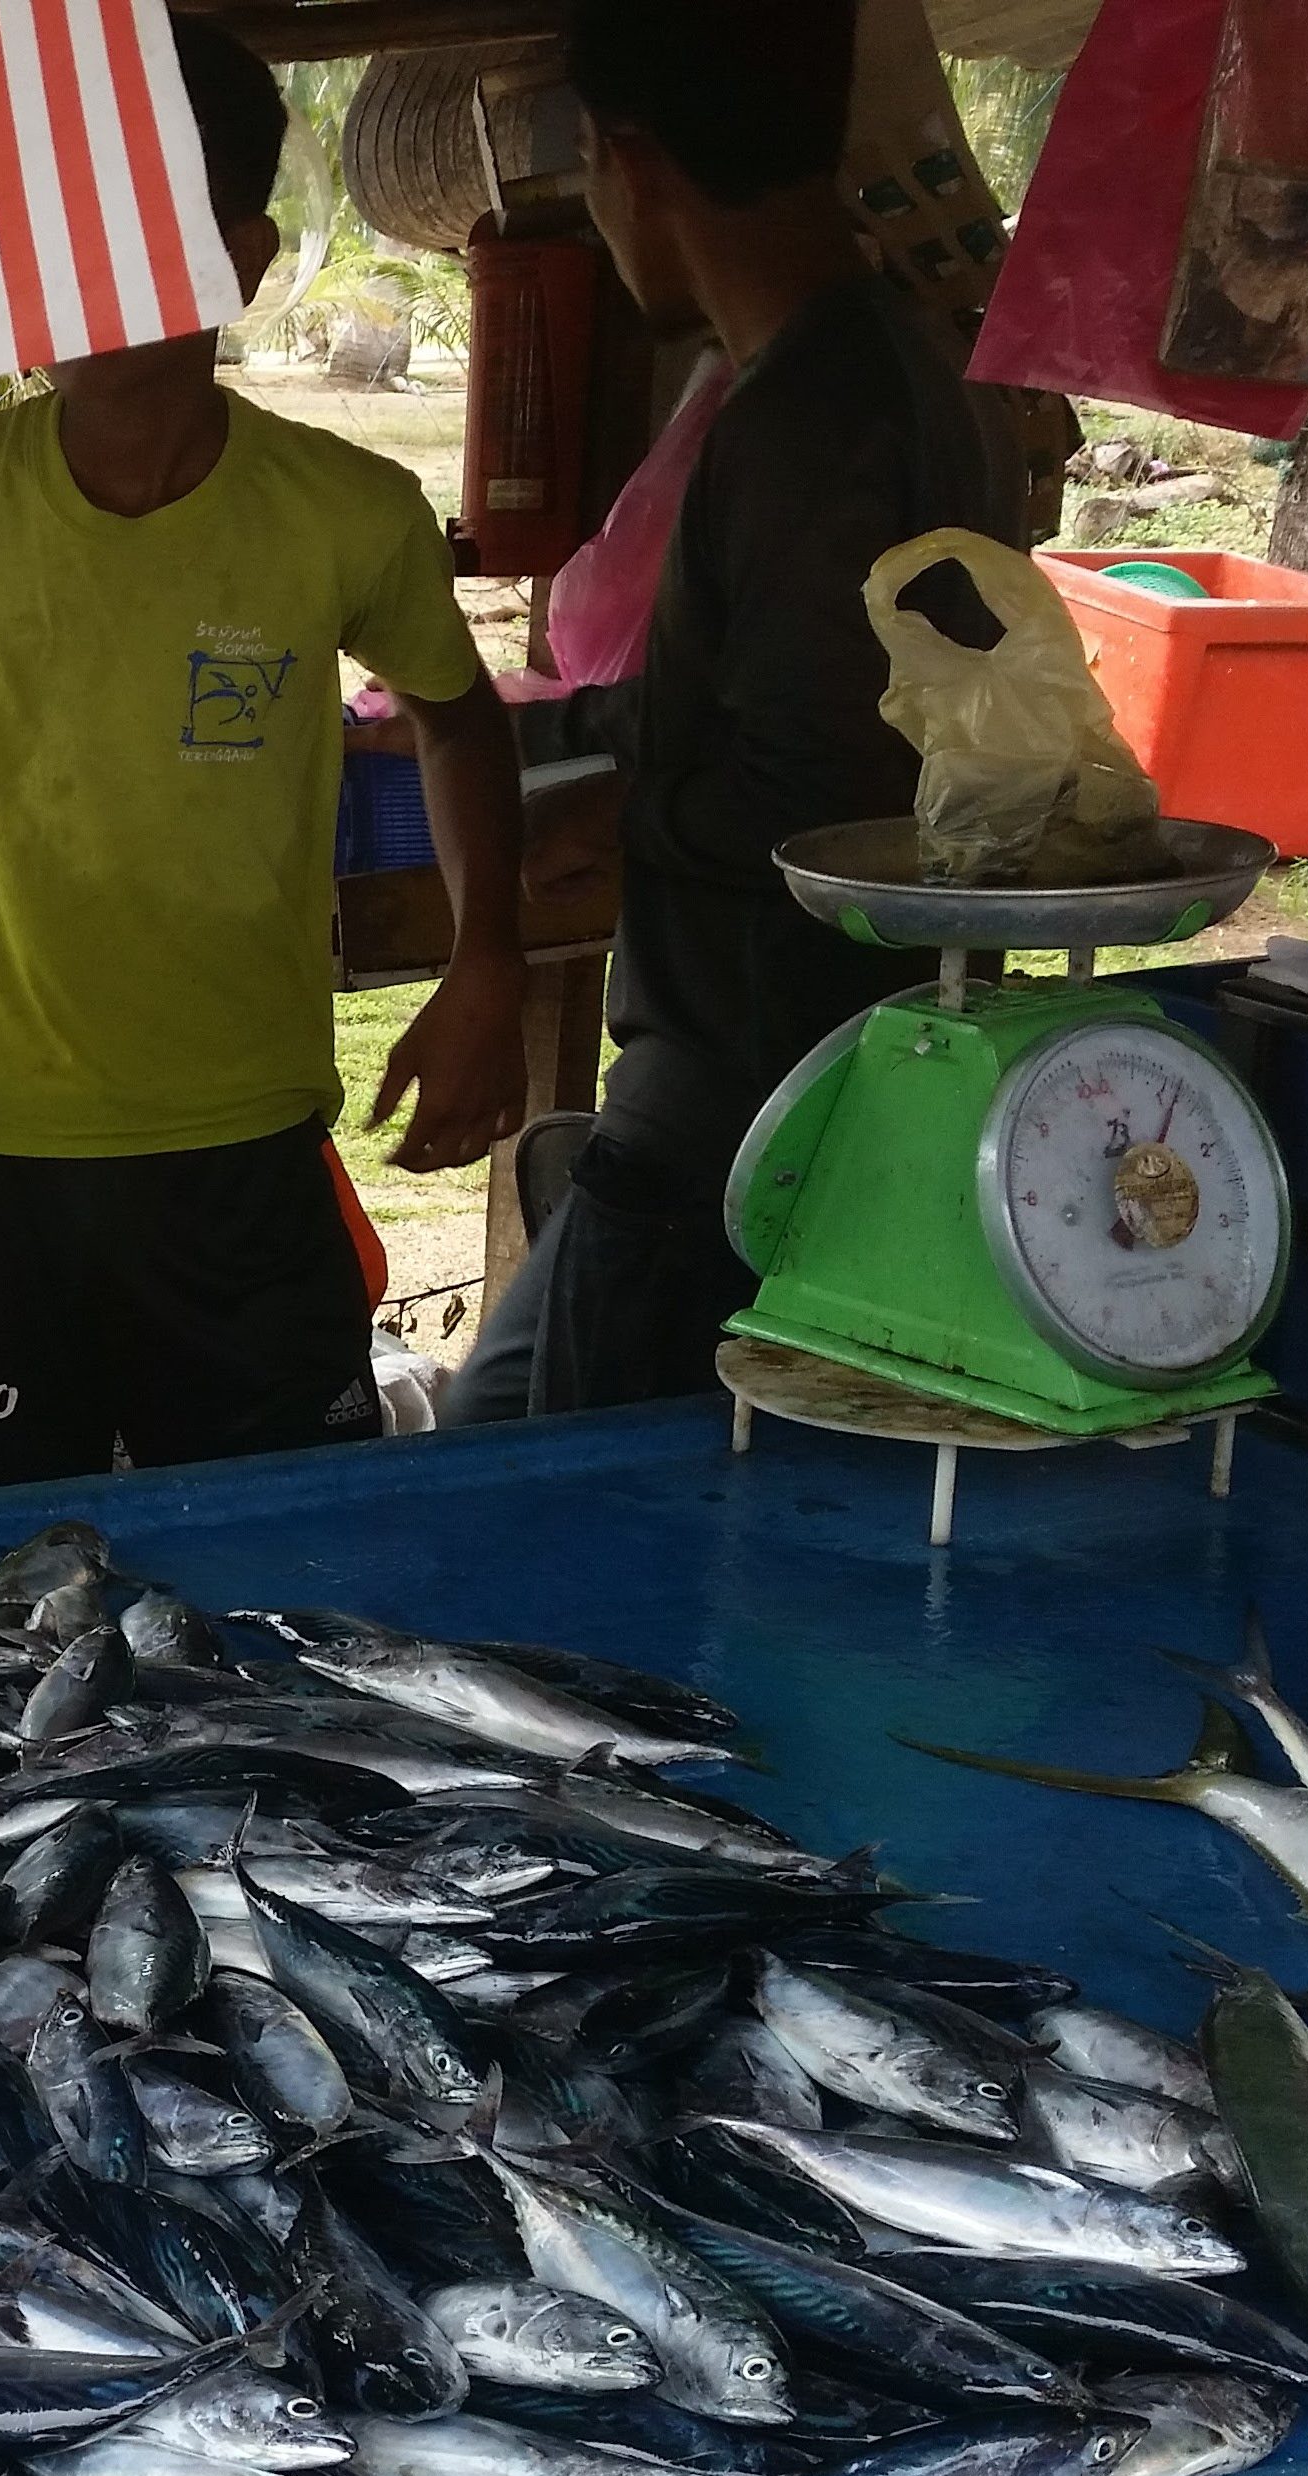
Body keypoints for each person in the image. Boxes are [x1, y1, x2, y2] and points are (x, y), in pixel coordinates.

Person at [0, 18, 529, 1494]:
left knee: (289, 1562)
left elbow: (455, 712)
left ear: (243, 255)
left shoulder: (345, 513)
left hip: (247, 1150)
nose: (79, 274)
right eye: (57, 227)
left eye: (134, 228)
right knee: (15, 1589)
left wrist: (486, 964)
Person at [446, 0, 1024, 1420]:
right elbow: (782, 690)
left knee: (576, 1505)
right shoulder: (895, 366)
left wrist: (611, 812)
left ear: (626, 157)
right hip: (824, 1063)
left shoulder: (808, 419)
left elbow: (810, 797)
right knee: (493, 1423)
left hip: (751, 1089)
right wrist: (551, 740)